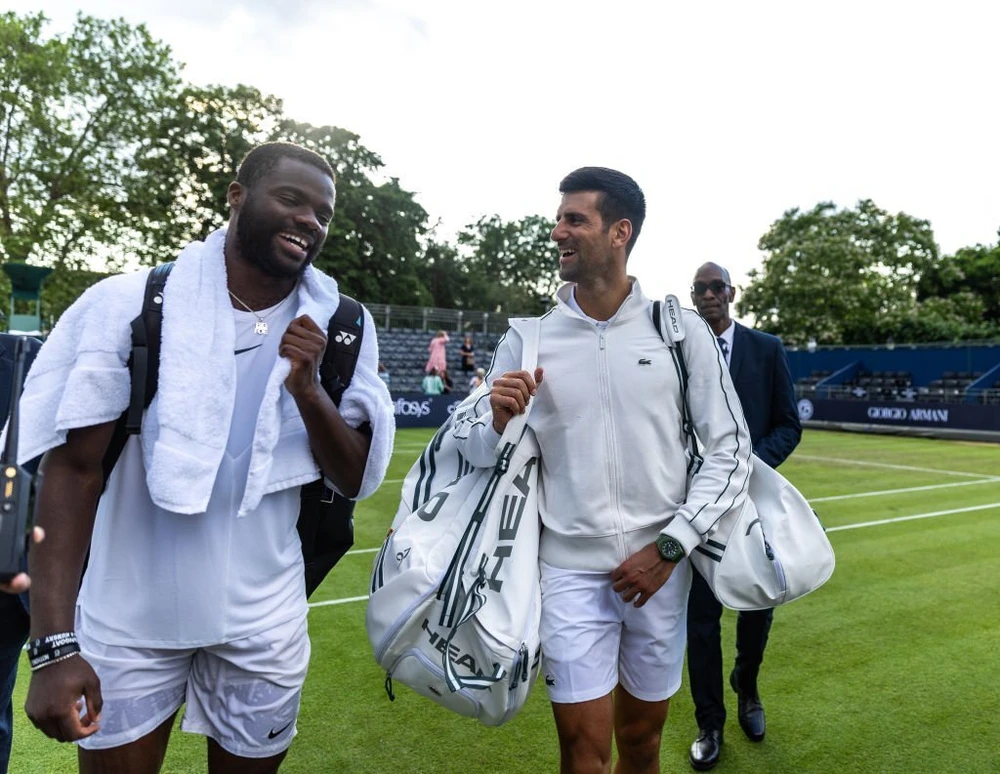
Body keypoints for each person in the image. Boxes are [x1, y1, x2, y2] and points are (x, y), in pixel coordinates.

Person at [17, 142, 395, 774]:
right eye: (292, 199)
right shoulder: (132, 302)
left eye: (323, 214)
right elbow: (73, 472)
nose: (310, 221)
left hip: (265, 623)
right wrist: (54, 647)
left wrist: (306, 389)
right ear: (237, 197)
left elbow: (354, 476)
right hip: (129, 617)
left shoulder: (340, 324)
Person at [454, 168, 752, 774]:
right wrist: (491, 420)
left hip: (661, 569)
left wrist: (672, 546)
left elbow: (731, 449)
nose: (557, 229)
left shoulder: (678, 330)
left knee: (642, 746)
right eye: (559, 216)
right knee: (584, 753)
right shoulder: (528, 340)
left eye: (574, 219)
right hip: (567, 572)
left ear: (621, 232)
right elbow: (472, 451)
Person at [685, 262, 802, 772]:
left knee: (758, 605)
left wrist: (751, 468)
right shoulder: (678, 354)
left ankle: (747, 687)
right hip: (698, 510)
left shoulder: (766, 349)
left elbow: (788, 424)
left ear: (732, 292)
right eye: (700, 289)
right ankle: (709, 723)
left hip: (754, 506)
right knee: (702, 622)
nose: (709, 295)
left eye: (716, 287)